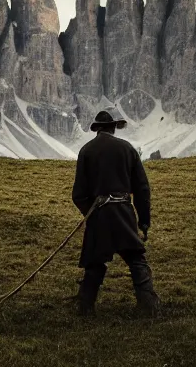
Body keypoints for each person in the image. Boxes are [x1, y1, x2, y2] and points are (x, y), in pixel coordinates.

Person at [71, 110, 160, 317]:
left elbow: (78, 195)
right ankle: (149, 306)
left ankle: (85, 307)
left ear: (97, 129)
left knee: (95, 261)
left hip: (99, 216)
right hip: (123, 213)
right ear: (113, 128)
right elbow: (142, 189)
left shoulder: (86, 151)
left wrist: (91, 212)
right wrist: (144, 221)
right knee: (136, 258)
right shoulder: (127, 149)